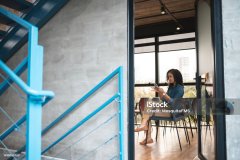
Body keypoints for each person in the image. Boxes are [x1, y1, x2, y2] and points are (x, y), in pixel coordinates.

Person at [135, 69, 184, 145]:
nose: (169, 78)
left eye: (170, 76)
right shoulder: (171, 87)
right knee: (148, 106)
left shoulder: (180, 89)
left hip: (172, 112)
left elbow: (173, 103)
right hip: (166, 109)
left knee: (148, 110)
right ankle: (147, 134)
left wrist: (163, 92)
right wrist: (160, 92)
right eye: (168, 77)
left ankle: (145, 130)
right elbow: (163, 99)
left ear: (176, 77)